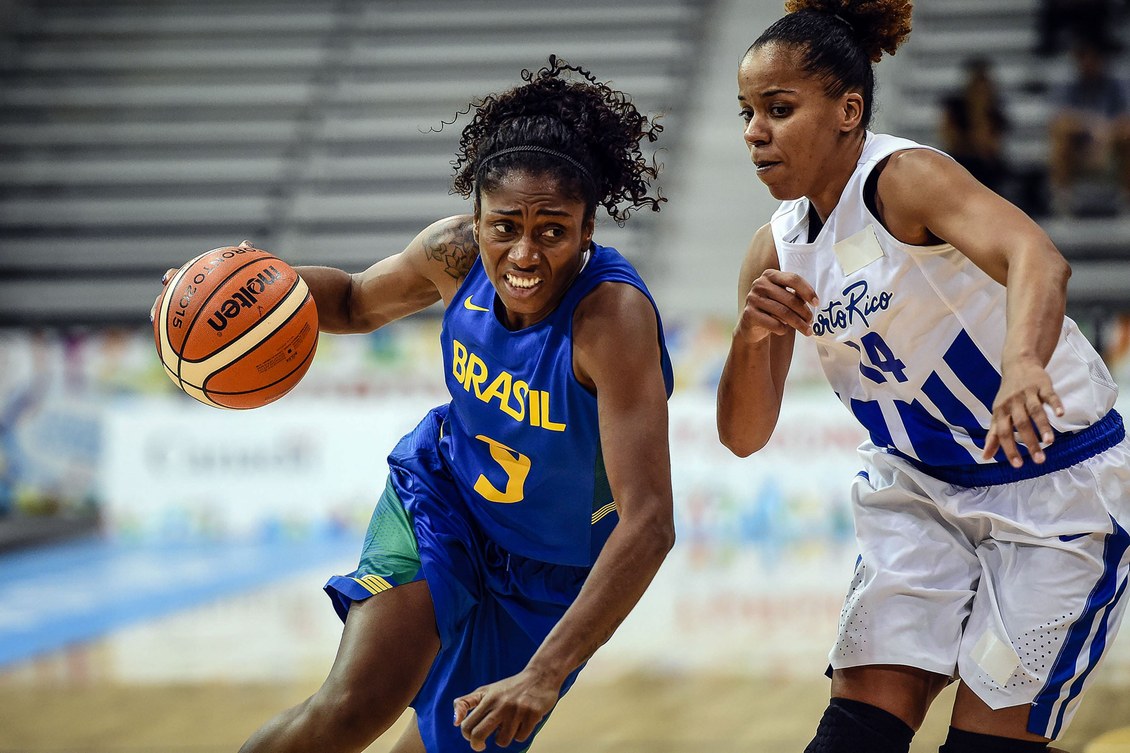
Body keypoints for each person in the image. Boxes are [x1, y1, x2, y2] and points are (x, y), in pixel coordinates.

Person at [158, 56, 676, 752]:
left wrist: (547, 669)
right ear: (475, 217)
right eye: (504, 226)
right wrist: (245, 282)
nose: (524, 252)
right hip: (444, 501)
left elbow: (647, 523)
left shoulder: (612, 322)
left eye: (552, 229)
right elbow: (348, 300)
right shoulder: (452, 254)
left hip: (550, 569)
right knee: (350, 708)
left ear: (587, 230)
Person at [716, 2, 1130, 752]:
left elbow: (1038, 256)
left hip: (1053, 484)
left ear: (848, 110)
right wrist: (751, 336)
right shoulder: (772, 252)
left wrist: (1025, 361)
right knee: (853, 733)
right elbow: (744, 437)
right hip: (918, 492)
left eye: (778, 109)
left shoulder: (904, 178)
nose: (755, 130)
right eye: (747, 111)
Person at [1047, 33, 1130, 217]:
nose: (1088, 63)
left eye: (1093, 58)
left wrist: (1105, 136)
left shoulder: (1116, 86)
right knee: (1060, 136)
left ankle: (1127, 199)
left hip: (1111, 149)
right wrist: (1094, 127)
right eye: (1084, 57)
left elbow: (1125, 118)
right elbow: (1060, 120)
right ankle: (1062, 203)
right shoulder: (1070, 87)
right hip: (1080, 150)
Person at [938, 57, 1010, 196]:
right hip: (959, 162)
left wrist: (980, 113)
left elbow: (989, 148)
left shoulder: (995, 111)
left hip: (987, 168)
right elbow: (950, 141)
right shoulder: (953, 106)